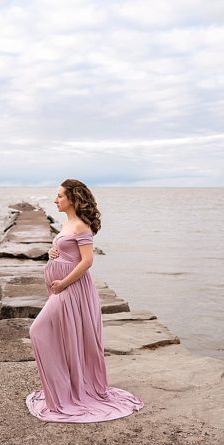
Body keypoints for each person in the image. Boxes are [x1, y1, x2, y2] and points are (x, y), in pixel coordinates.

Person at [26, 179, 144, 422]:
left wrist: (63, 282)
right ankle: (62, 389)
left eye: (59, 196)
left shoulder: (82, 227)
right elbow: (69, 252)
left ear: (72, 198)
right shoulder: (68, 223)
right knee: (60, 336)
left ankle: (66, 392)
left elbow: (87, 261)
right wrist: (52, 253)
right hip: (61, 289)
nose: (55, 200)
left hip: (72, 289)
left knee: (38, 330)